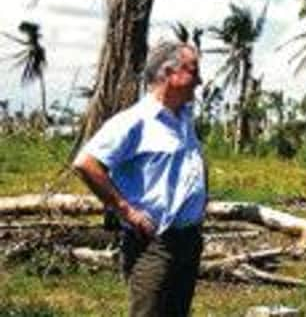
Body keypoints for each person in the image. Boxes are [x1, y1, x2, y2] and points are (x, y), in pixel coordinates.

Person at [73, 41, 208, 317]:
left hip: (188, 239)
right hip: (153, 245)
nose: (200, 81)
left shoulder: (183, 118)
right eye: (193, 72)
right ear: (169, 73)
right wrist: (126, 211)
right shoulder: (136, 121)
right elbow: (86, 163)